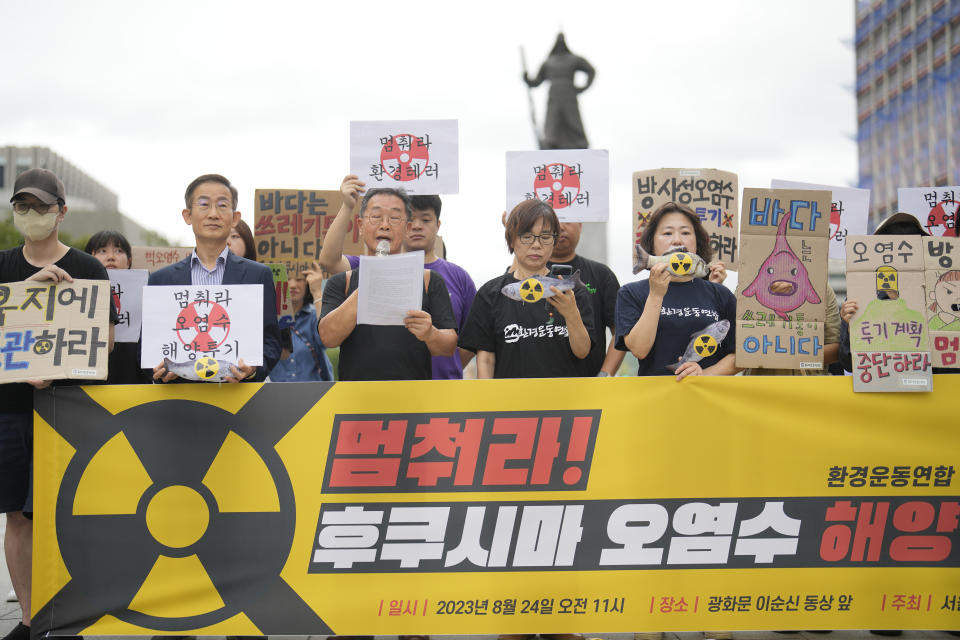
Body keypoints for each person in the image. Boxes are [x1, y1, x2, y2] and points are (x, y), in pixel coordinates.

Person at [1, 168, 116, 640]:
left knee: (66, 510)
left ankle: (73, 614)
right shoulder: (4, 266)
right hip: (9, 409)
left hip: (67, 406)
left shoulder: (89, 269)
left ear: (61, 212)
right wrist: (29, 295)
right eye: (22, 207)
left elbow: (104, 342)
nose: (31, 216)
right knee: (17, 514)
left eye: (41, 207)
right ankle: (29, 619)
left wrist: (57, 373)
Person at [318, 175, 477, 378]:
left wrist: (430, 333)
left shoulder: (430, 280)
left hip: (415, 401)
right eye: (375, 217)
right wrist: (367, 288)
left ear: (407, 228)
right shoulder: (343, 281)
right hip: (357, 401)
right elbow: (328, 338)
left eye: (394, 218)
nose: (385, 225)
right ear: (360, 225)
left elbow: (448, 346)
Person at [148, 174, 280, 383]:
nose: (213, 214)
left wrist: (253, 370)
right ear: (187, 215)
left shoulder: (258, 275)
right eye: (203, 204)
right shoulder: (161, 281)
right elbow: (146, 348)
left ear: (235, 217)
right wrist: (157, 372)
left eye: (222, 205)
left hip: (237, 399)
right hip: (178, 401)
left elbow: (272, 341)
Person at [459, 199, 593, 379]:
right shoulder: (491, 293)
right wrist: (488, 401)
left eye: (545, 237)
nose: (536, 245)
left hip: (563, 402)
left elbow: (583, 351)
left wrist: (571, 314)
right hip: (509, 402)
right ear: (512, 239)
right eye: (527, 236)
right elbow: (486, 359)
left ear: (554, 242)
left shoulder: (570, 290)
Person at [616, 202, 738, 379]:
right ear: (652, 243)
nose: (677, 240)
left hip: (710, 399)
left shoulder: (720, 294)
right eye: (667, 233)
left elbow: (740, 354)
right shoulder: (631, 293)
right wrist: (656, 294)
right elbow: (639, 350)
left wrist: (703, 375)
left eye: (686, 233)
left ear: (697, 242)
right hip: (654, 399)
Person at [548, 221, 624, 376]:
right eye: (554, 221)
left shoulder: (601, 274)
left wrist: (605, 374)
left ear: (580, 225)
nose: (561, 227)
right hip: (532, 385)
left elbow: (621, 330)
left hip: (589, 385)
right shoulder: (527, 279)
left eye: (568, 221)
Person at [85, 231, 143, 384]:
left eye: (119, 251)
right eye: (102, 251)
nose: (111, 257)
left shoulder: (147, 291)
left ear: (129, 261)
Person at [523, 32, 595, 150]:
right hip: (554, 93)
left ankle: (579, 141)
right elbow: (536, 81)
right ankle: (551, 141)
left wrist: (584, 87)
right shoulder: (549, 62)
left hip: (569, 92)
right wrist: (527, 79)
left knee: (571, 116)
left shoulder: (574, 59)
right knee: (553, 117)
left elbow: (591, 71)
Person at [268, 267, 333, 382]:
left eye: (299, 279)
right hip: (276, 395)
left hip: (315, 395)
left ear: (307, 282)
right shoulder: (267, 319)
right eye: (287, 278)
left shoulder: (314, 316)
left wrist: (317, 292)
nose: (292, 285)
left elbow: (326, 341)